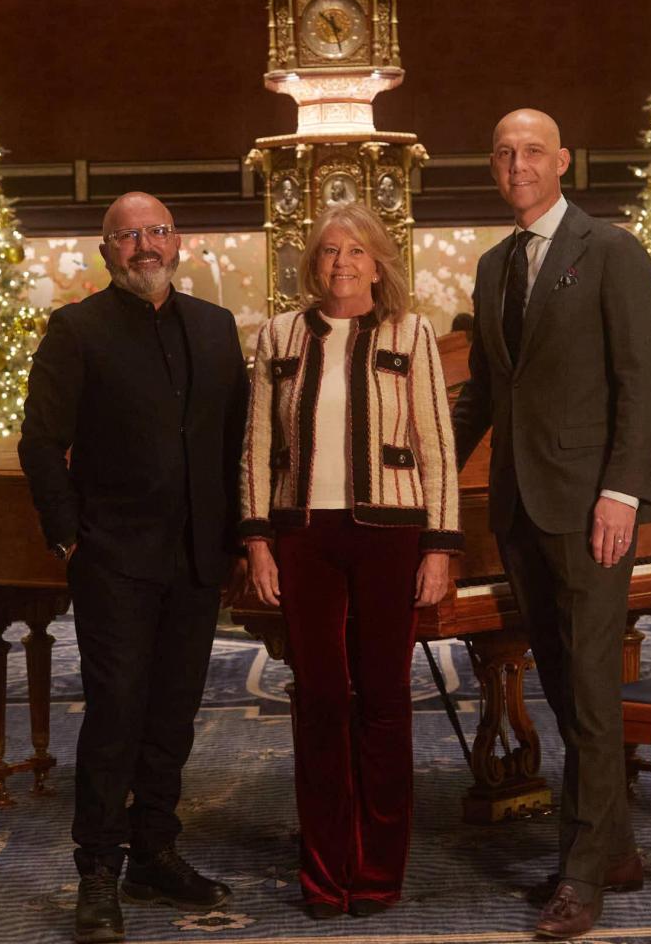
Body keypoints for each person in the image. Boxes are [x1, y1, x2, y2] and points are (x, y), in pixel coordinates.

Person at [450, 109, 651, 941]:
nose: (519, 165)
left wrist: (621, 492)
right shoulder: (493, 265)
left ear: (563, 161)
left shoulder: (610, 250)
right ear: (494, 167)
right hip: (519, 506)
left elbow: (642, 380)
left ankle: (581, 877)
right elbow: (485, 390)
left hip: (590, 510)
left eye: (533, 152)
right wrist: (426, 463)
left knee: (589, 692)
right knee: (564, 685)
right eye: (505, 153)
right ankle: (614, 851)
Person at [19, 192, 248, 944]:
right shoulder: (76, 330)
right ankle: (97, 870)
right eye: (127, 236)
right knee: (116, 713)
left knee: (174, 711)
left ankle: (154, 851)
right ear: (106, 251)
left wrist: (238, 539)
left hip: (196, 557)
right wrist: (67, 538)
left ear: (177, 242)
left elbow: (236, 441)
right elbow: (40, 442)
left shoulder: (215, 328)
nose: (144, 246)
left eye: (156, 232)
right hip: (112, 557)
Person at [239, 202, 462, 920]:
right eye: (330, 250)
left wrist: (439, 546)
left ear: (378, 263)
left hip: (391, 535)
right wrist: (258, 541)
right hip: (303, 535)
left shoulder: (411, 333)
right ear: (315, 262)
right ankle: (324, 870)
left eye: (357, 251)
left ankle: (378, 870)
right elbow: (256, 446)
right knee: (321, 699)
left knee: (385, 699)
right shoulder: (278, 335)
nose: (342, 263)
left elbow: (436, 447)